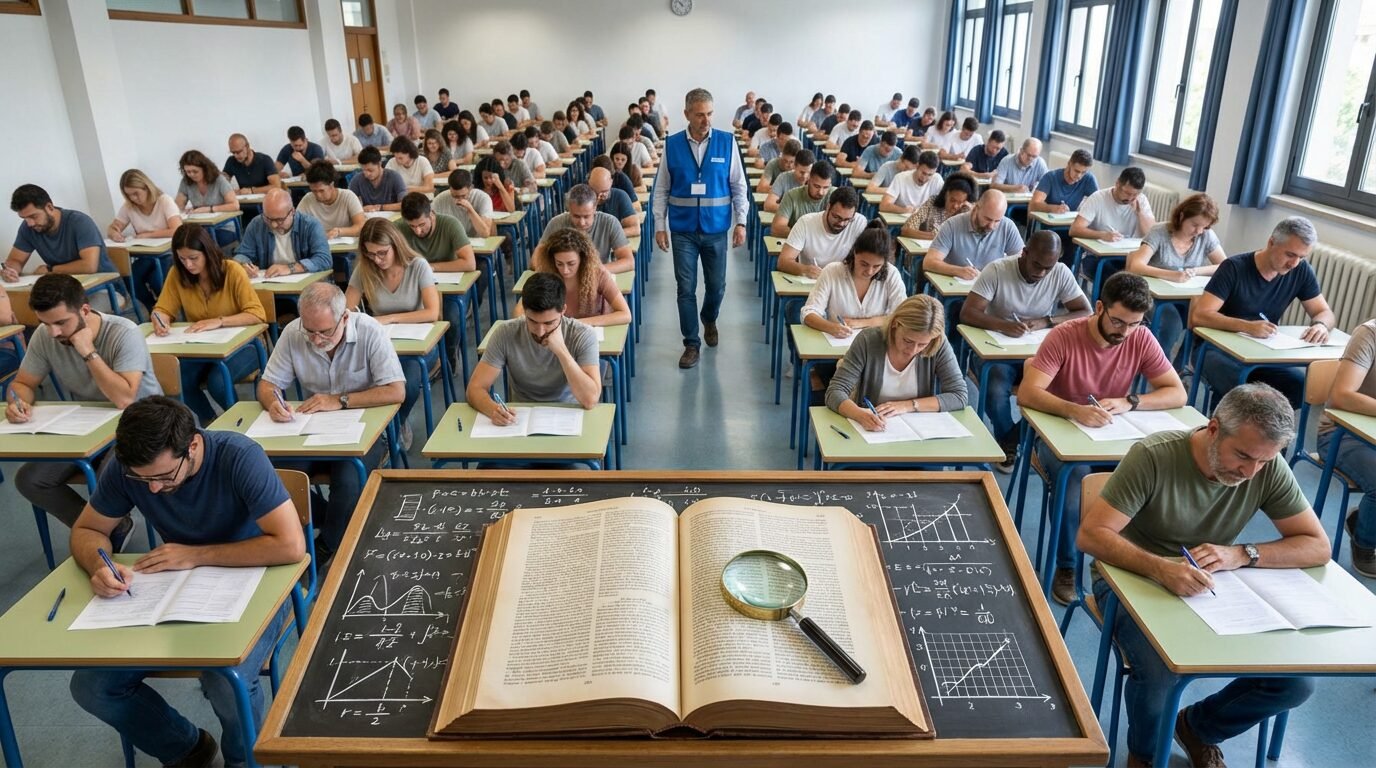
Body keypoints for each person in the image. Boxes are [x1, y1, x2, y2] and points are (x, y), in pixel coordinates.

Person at [1078, 383, 1327, 768]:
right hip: (1130, 578)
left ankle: (1199, 727)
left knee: (1296, 682)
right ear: (1213, 429)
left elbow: (1316, 545)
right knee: (1160, 673)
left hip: (1210, 587)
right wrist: (1161, 568)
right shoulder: (1154, 456)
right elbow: (1092, 535)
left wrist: (1243, 553)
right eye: (1242, 456)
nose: (1250, 472)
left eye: (1263, 461)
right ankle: (1146, 757)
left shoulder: (1265, 465)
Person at [67, 396, 306, 768]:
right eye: (142, 479)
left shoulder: (240, 457)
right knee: (92, 687)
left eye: (163, 476)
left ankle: (245, 762)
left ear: (193, 445)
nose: (154, 490)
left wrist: (196, 554)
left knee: (225, 682)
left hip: (258, 585)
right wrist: (101, 564)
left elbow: (291, 546)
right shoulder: (129, 467)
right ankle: (186, 748)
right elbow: (88, 529)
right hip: (171, 590)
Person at [1017, 271, 1187, 604]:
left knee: (1155, 476)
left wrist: (1131, 401)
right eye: (1119, 322)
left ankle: (1136, 558)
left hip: (1111, 436)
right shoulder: (1064, 336)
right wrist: (1073, 410)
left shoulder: (1140, 338)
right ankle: (1067, 566)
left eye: (1135, 324)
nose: (1125, 332)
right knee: (1077, 483)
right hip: (1058, 436)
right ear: (1099, 308)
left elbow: (1176, 393)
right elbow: (1027, 392)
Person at [7, 274, 160, 538]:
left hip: (139, 423)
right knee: (30, 480)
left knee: (107, 477)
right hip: (88, 426)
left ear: (85, 311)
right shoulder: (46, 335)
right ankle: (105, 529)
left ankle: (104, 525)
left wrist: (88, 351)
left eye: (61, 323)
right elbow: (23, 383)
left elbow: (124, 399)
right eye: (45, 323)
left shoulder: (124, 332)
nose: (53, 332)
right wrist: (17, 402)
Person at [258, 281, 404, 558]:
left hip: (367, 430)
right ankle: (331, 520)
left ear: (344, 318)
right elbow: (267, 386)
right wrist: (273, 403)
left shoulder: (370, 331)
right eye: (309, 331)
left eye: (324, 331)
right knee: (273, 474)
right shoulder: (293, 332)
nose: (315, 339)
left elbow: (396, 391)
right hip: (314, 429)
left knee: (348, 481)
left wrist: (340, 400)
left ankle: (329, 545)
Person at [960, 232, 1092, 467]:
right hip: (996, 351)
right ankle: (1009, 439)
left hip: (1040, 353)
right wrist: (1003, 325)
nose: (1041, 273)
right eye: (1037, 265)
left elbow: (1085, 312)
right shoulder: (997, 270)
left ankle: (1012, 439)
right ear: (1024, 253)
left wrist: (1047, 320)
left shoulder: (1060, 272)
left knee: (1071, 384)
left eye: (1047, 268)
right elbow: (968, 313)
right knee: (996, 386)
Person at [1192, 217, 1335, 408]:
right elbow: (1200, 315)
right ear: (1271, 242)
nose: (1294, 263)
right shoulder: (1233, 268)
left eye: (1302, 257)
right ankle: (1225, 429)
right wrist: (1246, 326)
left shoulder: (1301, 271)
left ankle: (1259, 431)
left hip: (1261, 353)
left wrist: (1321, 325)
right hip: (1213, 349)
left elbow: (1324, 311)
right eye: (1290, 254)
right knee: (1240, 386)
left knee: (1299, 386)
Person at [653, 88, 749, 370]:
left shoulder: (726, 142)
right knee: (685, 288)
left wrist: (740, 222)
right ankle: (691, 344)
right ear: (687, 115)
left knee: (717, 287)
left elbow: (738, 186)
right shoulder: (671, 145)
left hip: (716, 228)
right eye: (699, 114)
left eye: (709, 114)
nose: (705, 119)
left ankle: (709, 317)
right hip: (682, 229)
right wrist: (660, 225)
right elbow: (661, 189)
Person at [151, 223, 266, 424]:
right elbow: (163, 309)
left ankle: (240, 424)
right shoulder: (177, 275)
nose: (188, 265)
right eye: (182, 259)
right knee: (179, 378)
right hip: (202, 347)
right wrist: (160, 318)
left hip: (247, 345)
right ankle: (211, 422)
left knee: (218, 382)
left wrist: (220, 321)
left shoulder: (232, 271)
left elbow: (257, 314)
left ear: (208, 252)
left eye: (193, 258)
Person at [346, 218, 441, 442]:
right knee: (357, 376)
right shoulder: (365, 268)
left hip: (419, 347)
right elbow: (347, 309)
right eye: (370, 254)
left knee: (405, 381)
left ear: (395, 245)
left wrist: (389, 319)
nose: (377, 260)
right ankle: (373, 429)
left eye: (382, 253)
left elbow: (432, 313)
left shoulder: (418, 266)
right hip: (381, 345)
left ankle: (397, 423)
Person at [466, 271, 601, 420]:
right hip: (521, 416)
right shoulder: (505, 332)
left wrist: (562, 351)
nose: (540, 331)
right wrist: (493, 410)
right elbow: (475, 389)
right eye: (532, 321)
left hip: (568, 413)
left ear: (563, 310)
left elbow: (590, 399)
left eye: (549, 323)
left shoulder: (582, 334)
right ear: (524, 310)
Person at [826, 294, 969, 430]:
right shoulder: (868, 340)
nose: (913, 350)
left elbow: (959, 395)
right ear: (895, 324)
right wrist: (859, 415)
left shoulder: (938, 344)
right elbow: (835, 391)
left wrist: (908, 405)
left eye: (922, 345)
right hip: (873, 425)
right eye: (907, 340)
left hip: (918, 428)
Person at [802, 222, 908, 401]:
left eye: (877, 267)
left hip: (875, 353)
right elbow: (808, 312)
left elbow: (902, 316)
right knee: (833, 386)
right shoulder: (833, 271)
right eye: (864, 264)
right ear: (854, 253)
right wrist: (830, 327)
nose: (869, 271)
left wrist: (862, 323)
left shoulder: (891, 274)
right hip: (836, 351)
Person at [1126, 193, 1227, 361]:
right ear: (1182, 216)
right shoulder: (1160, 232)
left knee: (1207, 319)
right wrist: (1171, 275)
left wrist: (1196, 270)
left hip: (1188, 297)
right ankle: (1157, 365)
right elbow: (1136, 265)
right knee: (1171, 323)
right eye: (1195, 225)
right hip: (1154, 296)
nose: (1199, 231)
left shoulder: (1205, 236)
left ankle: (1179, 368)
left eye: (1205, 227)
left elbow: (1225, 266)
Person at [1320, 317, 1376, 577]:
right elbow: (1342, 396)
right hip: (1340, 433)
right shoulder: (1369, 335)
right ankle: (1365, 544)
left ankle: (1364, 519)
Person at [5, 185, 118, 288]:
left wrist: (50, 270)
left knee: (66, 311)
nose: (30, 223)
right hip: (65, 289)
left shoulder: (79, 222)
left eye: (34, 216)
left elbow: (89, 266)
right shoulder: (28, 228)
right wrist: (10, 271)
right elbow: (16, 260)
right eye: (24, 218)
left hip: (104, 288)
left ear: (49, 207)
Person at [520, 227, 631, 327]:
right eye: (559, 263)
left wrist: (575, 324)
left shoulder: (598, 273)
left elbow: (625, 314)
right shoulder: (546, 272)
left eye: (571, 263)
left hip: (589, 332)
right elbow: (520, 309)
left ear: (582, 259)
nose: (565, 270)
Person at [107, 169, 183, 310]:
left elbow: (177, 230)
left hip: (169, 253)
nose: (133, 198)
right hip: (145, 255)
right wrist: (114, 232)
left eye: (136, 193)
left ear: (146, 188)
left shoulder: (164, 201)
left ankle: (167, 309)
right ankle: (152, 308)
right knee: (130, 278)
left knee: (157, 279)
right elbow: (113, 227)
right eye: (129, 195)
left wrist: (148, 234)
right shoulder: (129, 206)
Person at [923, 190, 1025, 279]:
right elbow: (929, 262)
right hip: (956, 289)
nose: (991, 226)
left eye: (997, 221)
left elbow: (1022, 261)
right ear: (976, 208)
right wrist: (958, 271)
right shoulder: (952, 225)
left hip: (990, 288)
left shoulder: (1007, 226)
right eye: (988, 219)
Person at [233, 188, 330, 280]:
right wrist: (242, 265)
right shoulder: (257, 224)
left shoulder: (310, 225)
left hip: (305, 283)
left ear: (292, 211)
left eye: (279, 220)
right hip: (270, 282)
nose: (274, 224)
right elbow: (243, 253)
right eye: (268, 219)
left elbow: (324, 260)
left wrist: (290, 268)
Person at [534, 184, 634, 274]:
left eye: (586, 216)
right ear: (569, 209)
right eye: (576, 216)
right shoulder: (556, 223)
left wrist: (593, 271)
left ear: (595, 208)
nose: (582, 223)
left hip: (598, 278)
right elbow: (535, 260)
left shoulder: (610, 223)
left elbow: (628, 262)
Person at [777, 188, 868, 278]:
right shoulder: (806, 223)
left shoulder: (859, 222)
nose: (841, 223)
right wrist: (805, 270)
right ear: (828, 207)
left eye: (847, 219)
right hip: (811, 284)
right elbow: (783, 262)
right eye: (836, 217)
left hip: (840, 281)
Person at [1070, 166, 1155, 242]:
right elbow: (1074, 230)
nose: (1130, 198)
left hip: (1129, 253)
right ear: (1117, 184)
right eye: (1127, 193)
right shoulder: (1098, 198)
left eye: (1135, 194)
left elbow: (1152, 236)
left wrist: (1140, 214)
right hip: (1101, 254)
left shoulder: (1141, 200)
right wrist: (1102, 235)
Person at [299, 161, 365, 241]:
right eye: (314, 191)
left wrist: (339, 231)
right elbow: (297, 226)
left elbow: (361, 226)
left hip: (345, 249)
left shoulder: (348, 196)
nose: (318, 195)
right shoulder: (308, 199)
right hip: (319, 248)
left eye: (321, 191)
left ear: (332, 185)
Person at [901, 172, 976, 240]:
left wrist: (971, 214)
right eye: (952, 200)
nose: (955, 206)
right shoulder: (932, 203)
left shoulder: (967, 211)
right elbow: (906, 230)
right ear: (946, 195)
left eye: (960, 202)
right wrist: (935, 237)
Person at [770, 160, 833, 235]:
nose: (821, 192)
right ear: (809, 180)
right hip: (797, 243)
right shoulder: (791, 196)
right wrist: (807, 237)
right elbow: (776, 228)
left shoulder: (835, 195)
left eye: (826, 187)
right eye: (816, 186)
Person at [1031, 149, 1098, 213]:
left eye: (1083, 172)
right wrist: (1053, 208)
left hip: (1069, 222)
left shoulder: (1089, 179)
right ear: (1069, 164)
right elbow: (1034, 204)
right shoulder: (1050, 177)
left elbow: (1099, 202)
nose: (1079, 176)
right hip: (1046, 220)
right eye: (1076, 171)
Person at [433, 169, 495, 238]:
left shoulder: (483, 198)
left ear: (471, 188)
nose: (459, 199)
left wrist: (470, 210)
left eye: (463, 196)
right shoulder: (440, 199)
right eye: (455, 196)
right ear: (450, 188)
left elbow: (485, 233)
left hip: (478, 244)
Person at [174, 150, 240, 214]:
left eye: (195, 171)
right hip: (200, 222)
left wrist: (209, 209)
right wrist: (184, 211)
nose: (191, 175)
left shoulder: (219, 180)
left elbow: (235, 205)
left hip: (224, 223)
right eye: (188, 172)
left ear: (205, 169)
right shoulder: (186, 181)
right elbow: (178, 206)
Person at [349, 146, 406, 212]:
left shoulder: (394, 177)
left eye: (370, 170)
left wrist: (380, 207)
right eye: (363, 170)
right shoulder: (357, 179)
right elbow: (348, 203)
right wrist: (360, 208)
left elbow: (404, 205)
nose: (366, 174)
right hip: (369, 218)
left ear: (379, 164)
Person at [588, 167, 639, 237]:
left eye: (604, 191)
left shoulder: (620, 196)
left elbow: (635, 229)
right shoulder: (582, 197)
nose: (600, 196)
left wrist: (609, 237)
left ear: (611, 182)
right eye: (595, 192)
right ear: (589, 185)